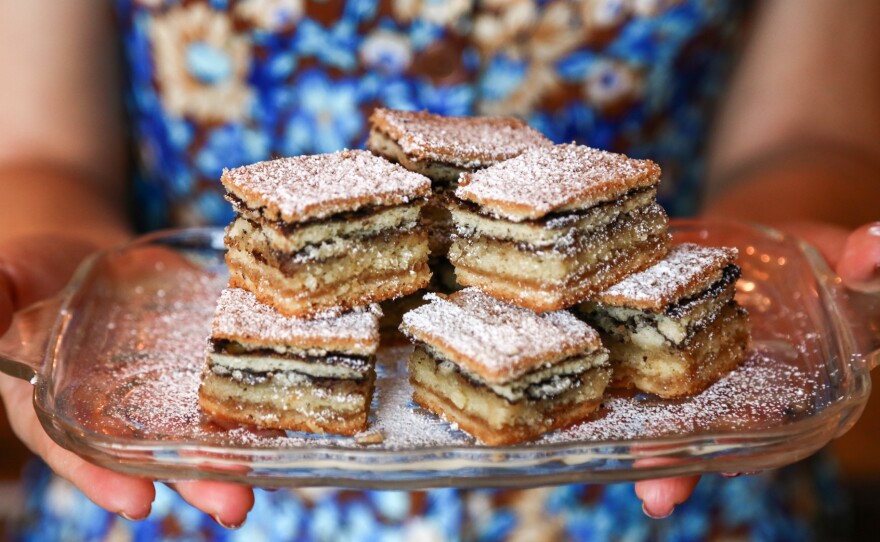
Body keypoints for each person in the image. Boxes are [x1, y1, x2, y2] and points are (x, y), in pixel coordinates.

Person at [1, 0, 878, 540]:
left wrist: (801, 255)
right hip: (189, 477)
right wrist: (47, 270)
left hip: (684, 500)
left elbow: (812, 137)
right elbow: (41, 149)